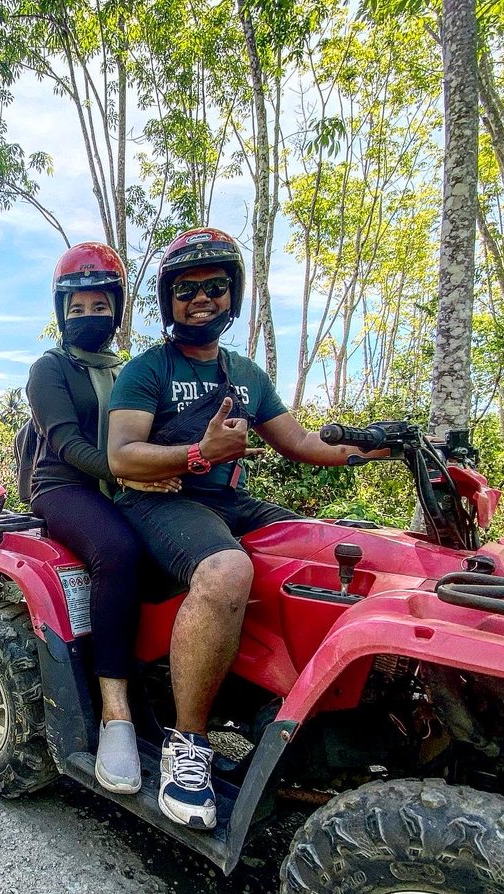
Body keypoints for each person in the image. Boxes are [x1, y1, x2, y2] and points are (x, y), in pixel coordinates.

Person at [107, 227, 383, 830]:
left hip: (232, 503)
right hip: (159, 503)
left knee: (339, 552)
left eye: (213, 286)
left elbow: (305, 445)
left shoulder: (246, 374)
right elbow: (123, 456)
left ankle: (299, 703)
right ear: (168, 301)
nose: (200, 299)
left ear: (233, 294)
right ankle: (188, 746)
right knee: (228, 568)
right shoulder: (146, 369)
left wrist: (381, 449)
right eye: (186, 290)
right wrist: (199, 454)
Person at [26, 243, 178, 796]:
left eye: (100, 306)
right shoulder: (50, 369)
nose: (90, 317)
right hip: (65, 486)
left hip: (125, 484)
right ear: (62, 312)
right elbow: (64, 442)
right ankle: (116, 714)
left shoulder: (134, 369)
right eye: (78, 307)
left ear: (116, 309)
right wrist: (127, 476)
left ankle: (166, 693)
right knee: (118, 553)